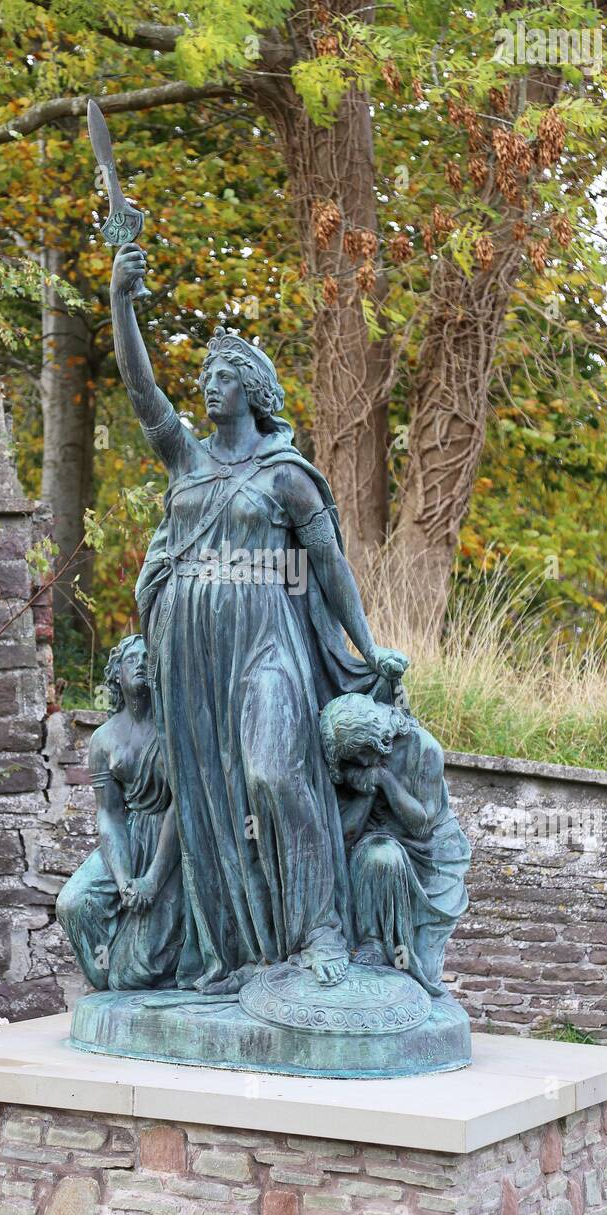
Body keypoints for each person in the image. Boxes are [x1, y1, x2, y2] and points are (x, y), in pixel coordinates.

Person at [111, 240, 407, 992]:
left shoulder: (286, 475)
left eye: (223, 374)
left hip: (267, 643)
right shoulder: (184, 457)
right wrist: (121, 300)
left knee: (273, 774)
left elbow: (330, 566)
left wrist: (366, 649)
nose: (209, 385)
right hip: (189, 650)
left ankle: (320, 931)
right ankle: (235, 951)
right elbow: (141, 391)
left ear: (254, 386)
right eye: (204, 375)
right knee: (211, 793)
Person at [319, 692, 471, 997]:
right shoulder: (353, 764)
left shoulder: (423, 748)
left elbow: (422, 825)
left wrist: (384, 781)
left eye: (361, 753)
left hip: (431, 852)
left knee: (424, 975)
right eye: (352, 758)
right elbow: (344, 838)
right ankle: (372, 939)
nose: (358, 762)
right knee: (381, 856)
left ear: (376, 739)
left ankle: (406, 967)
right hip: (378, 850)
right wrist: (366, 792)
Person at [56, 635, 185, 990]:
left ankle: (130, 980)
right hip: (128, 836)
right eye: (132, 659)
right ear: (116, 675)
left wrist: (152, 880)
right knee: (73, 903)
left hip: (172, 840)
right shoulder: (104, 739)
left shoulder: (176, 727)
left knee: (140, 970)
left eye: (149, 656)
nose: (142, 662)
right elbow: (109, 816)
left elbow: (181, 805)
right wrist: (124, 879)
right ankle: (104, 988)